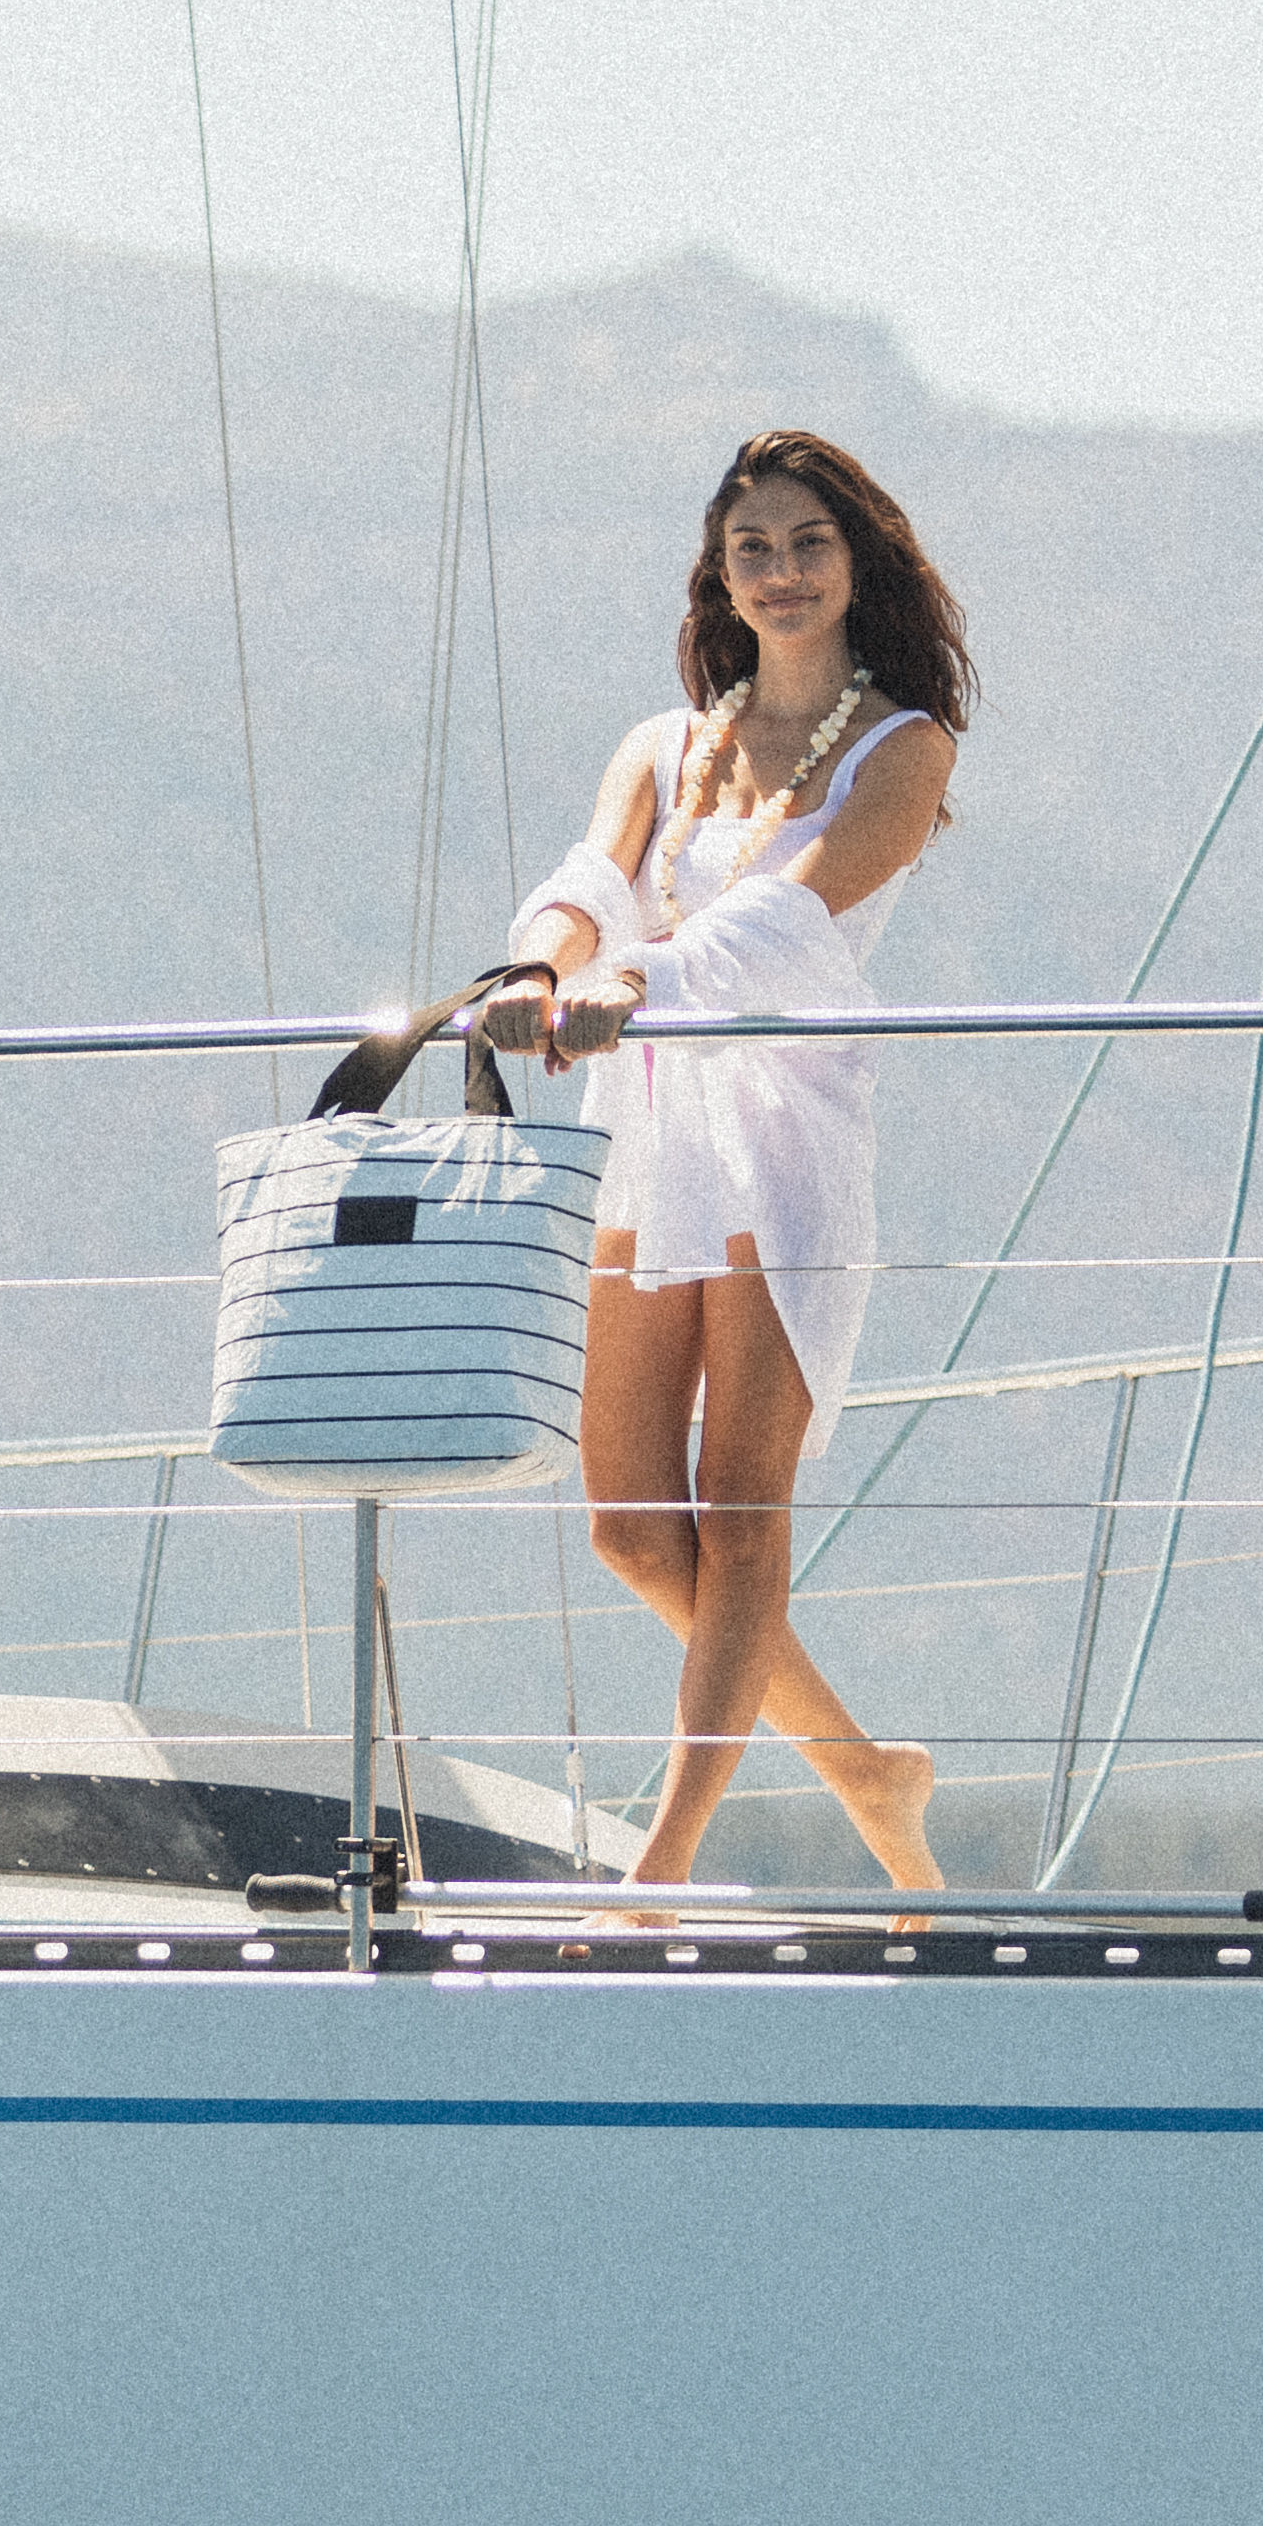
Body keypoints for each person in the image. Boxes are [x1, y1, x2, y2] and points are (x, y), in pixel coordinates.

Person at [480, 431, 972, 1900]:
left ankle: (667, 1863)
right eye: (753, 548)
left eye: (809, 542)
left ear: (859, 561)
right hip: (646, 1128)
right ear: (720, 573)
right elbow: (591, 879)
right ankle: (864, 1769)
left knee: (741, 1506)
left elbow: (797, 914)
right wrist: (541, 966)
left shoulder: (903, 749)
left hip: (785, 1134)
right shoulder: (665, 743)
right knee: (632, 1522)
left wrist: (640, 980)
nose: (782, 571)